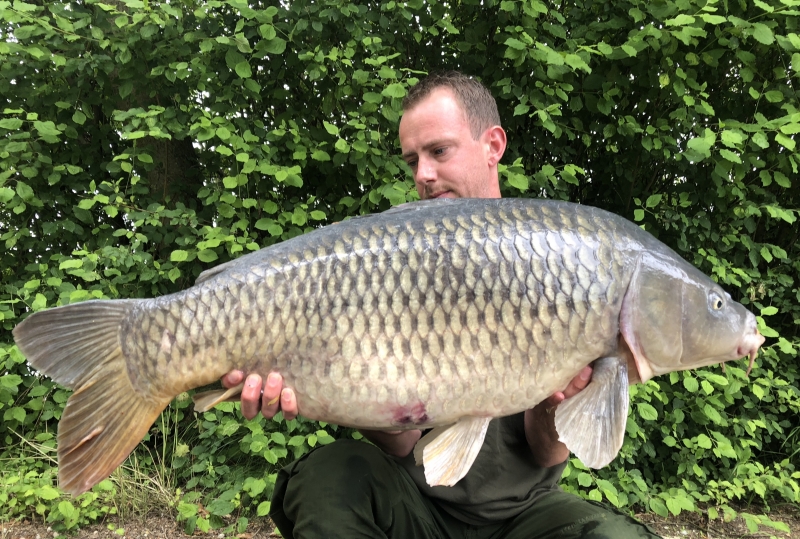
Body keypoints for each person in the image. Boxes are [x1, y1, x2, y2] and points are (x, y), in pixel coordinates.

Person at [221, 71, 660, 538]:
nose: (423, 175)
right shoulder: (391, 257)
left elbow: (547, 453)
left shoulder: (558, 257)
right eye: (413, 160)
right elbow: (405, 439)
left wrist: (559, 401)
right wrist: (324, 391)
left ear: (493, 145)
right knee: (329, 475)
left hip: (523, 518)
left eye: (438, 152)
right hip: (414, 509)